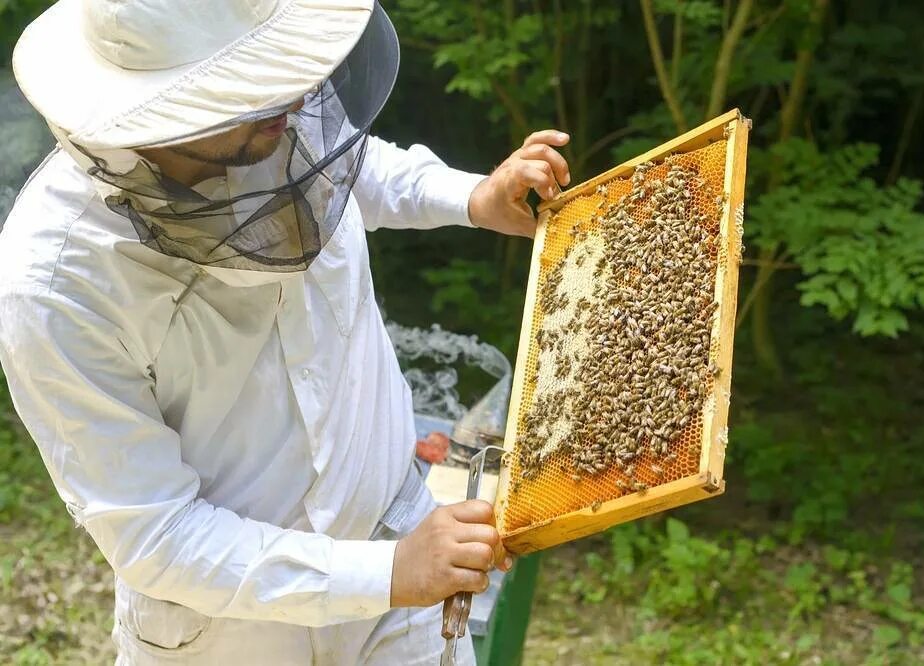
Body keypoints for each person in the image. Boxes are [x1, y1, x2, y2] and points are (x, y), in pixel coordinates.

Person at [0, 1, 571, 664]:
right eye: (251, 87)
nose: (297, 98)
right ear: (160, 112)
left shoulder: (273, 122)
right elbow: (156, 533)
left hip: (399, 574)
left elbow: (350, 166)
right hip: (231, 638)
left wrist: (470, 196)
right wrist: (388, 573)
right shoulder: (53, 284)